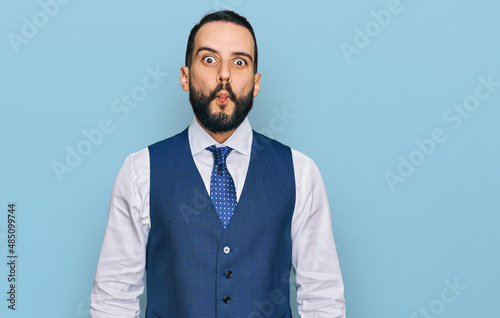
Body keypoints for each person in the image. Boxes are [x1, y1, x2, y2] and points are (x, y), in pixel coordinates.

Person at [90, 10, 345, 318]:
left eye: (240, 62)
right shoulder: (139, 172)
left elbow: (323, 296)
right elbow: (113, 298)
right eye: (209, 60)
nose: (224, 75)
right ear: (185, 76)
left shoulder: (299, 173)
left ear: (256, 82)